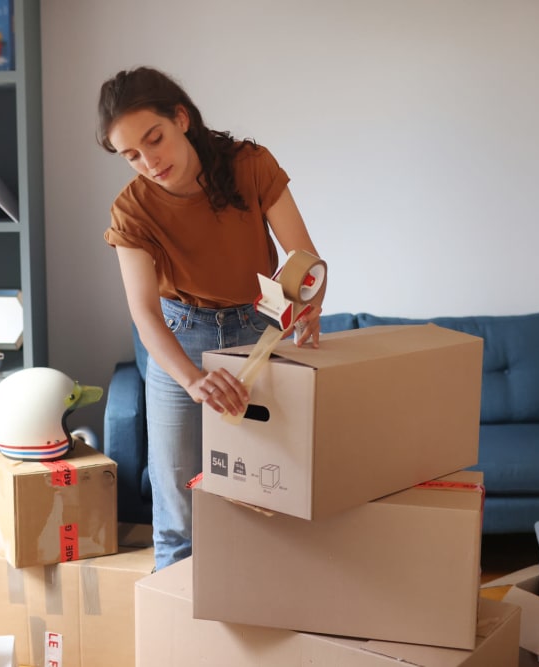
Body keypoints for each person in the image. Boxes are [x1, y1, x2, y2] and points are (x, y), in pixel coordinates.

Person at [98, 66, 323, 570]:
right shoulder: (131, 211)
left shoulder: (250, 165)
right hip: (182, 335)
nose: (148, 161)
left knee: (272, 490)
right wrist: (194, 380)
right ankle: (176, 637)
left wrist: (309, 300)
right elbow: (144, 311)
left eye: (154, 139)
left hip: (259, 325)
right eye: (131, 155)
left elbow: (301, 256)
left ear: (181, 118)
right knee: (177, 510)